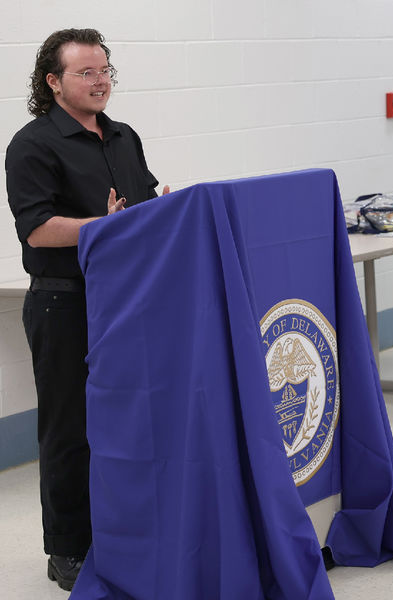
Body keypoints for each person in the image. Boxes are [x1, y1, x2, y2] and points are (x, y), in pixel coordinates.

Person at [5, 28, 167, 591]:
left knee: (127, 425)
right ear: (53, 82)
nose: (101, 83)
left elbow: (139, 205)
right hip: (65, 303)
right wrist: (106, 226)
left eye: (106, 71)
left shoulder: (123, 137)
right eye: (87, 73)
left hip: (125, 301)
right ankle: (68, 550)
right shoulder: (31, 145)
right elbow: (40, 229)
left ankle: (122, 531)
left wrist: (159, 211)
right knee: (69, 431)